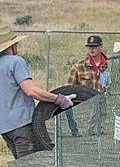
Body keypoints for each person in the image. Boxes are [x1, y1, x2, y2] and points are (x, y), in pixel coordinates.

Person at [0, 25, 74, 158]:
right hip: (22, 125)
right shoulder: (16, 62)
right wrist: (59, 99)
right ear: (11, 45)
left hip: (5, 129)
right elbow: (31, 91)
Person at [66, 34, 108, 137]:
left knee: (102, 113)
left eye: (94, 46)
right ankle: (86, 130)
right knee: (93, 113)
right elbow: (70, 87)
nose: (92, 49)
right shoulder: (78, 67)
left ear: (100, 47)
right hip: (87, 101)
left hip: (102, 96)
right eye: (90, 47)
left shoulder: (107, 64)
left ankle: (99, 129)